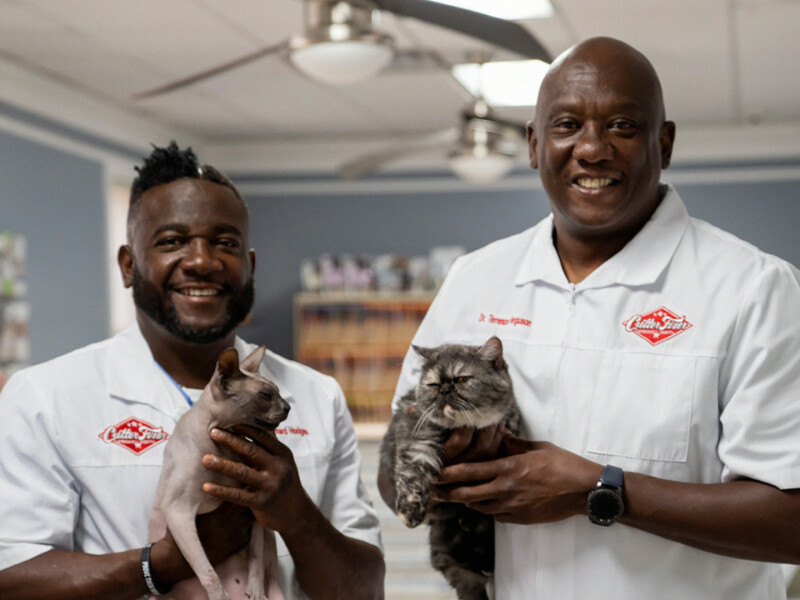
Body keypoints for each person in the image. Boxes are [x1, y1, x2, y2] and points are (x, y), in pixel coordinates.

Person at [380, 36, 800, 599]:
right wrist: (451, 465)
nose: (592, 148)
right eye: (567, 125)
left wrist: (598, 490)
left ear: (664, 143)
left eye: (622, 125)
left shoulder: (752, 287)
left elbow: (790, 521)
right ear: (534, 145)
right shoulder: (474, 279)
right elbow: (394, 476)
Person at [0, 142, 385, 600]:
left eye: (226, 243)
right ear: (128, 265)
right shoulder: (46, 397)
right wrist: (160, 565)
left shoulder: (317, 395)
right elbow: (12, 577)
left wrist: (297, 515)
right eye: (172, 241)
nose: (202, 261)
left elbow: (365, 591)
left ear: (250, 266)